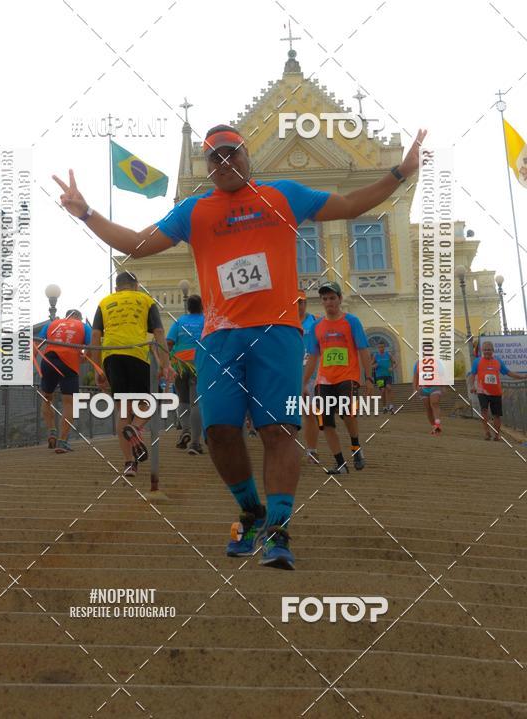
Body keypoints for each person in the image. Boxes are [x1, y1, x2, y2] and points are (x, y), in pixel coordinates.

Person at [54, 123, 424, 569]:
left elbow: (348, 204)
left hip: (279, 331)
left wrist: (400, 174)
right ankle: (251, 512)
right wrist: (86, 212)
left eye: (232, 153)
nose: (225, 162)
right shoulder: (194, 211)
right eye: (215, 158)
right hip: (220, 337)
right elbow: (136, 244)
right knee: (220, 431)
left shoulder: (283, 194)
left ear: (247, 156)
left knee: (277, 430)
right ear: (208, 168)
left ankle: (279, 530)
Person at [91, 272, 174, 476]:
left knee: (123, 410)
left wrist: (97, 368)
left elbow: (95, 335)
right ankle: (136, 428)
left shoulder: (104, 302)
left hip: (111, 356)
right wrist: (165, 364)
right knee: (148, 403)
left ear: (117, 288)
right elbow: (159, 333)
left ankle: (129, 464)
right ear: (136, 286)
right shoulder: (146, 300)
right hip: (136, 353)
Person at [302, 282, 374, 474]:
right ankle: (340, 463)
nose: (329, 302)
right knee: (325, 422)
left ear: (340, 299)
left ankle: (356, 447)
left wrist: (369, 378)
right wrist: (303, 383)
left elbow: (363, 351)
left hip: (348, 376)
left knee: (347, 413)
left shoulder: (352, 322)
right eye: (325, 299)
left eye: (332, 298)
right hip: (324, 379)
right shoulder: (317, 326)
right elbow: (313, 357)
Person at [38, 309, 91, 454]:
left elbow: (37, 343)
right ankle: (62, 441)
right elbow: (92, 345)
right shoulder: (84, 326)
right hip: (69, 363)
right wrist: (84, 357)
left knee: (47, 398)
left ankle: (51, 432)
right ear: (79, 318)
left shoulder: (53, 323)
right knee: (69, 402)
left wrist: (33, 363)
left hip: (48, 360)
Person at [167, 295, 205, 454]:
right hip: (199, 363)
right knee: (196, 402)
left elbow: (168, 343)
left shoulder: (179, 321)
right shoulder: (206, 321)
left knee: (183, 400)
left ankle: (186, 430)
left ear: (188, 308)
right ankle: (195, 443)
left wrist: (166, 364)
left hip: (180, 365)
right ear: (202, 307)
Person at [469, 341, 526, 441]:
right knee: (484, 410)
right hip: (482, 391)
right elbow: (472, 375)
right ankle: (487, 432)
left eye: (489, 350)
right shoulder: (477, 361)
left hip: (496, 392)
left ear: (493, 350)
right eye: (485, 350)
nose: (487, 352)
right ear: (482, 351)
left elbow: (507, 372)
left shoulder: (498, 361)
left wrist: (522, 376)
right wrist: (472, 386)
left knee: (496, 414)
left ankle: (496, 434)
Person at [298, 290, 320, 464]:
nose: (299, 305)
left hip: (311, 375)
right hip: (289, 375)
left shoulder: (315, 322)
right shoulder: (284, 324)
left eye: (302, 302)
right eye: (296, 302)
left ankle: (311, 450)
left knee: (309, 413)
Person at [412, 358, 445, 434]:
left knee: (434, 403)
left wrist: (443, 386)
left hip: (435, 386)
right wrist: (414, 389)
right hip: (423, 388)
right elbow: (415, 377)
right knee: (428, 408)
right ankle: (434, 426)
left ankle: (437, 424)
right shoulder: (417, 363)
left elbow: (442, 375)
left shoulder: (437, 362)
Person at [371, 341, 397, 414]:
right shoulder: (376, 356)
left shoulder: (388, 354)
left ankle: (391, 406)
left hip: (388, 375)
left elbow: (395, 363)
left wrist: (392, 368)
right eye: (379, 347)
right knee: (382, 391)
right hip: (379, 376)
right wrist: (374, 366)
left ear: (384, 347)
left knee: (389, 388)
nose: (381, 348)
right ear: (378, 348)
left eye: (382, 347)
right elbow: (370, 366)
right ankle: (384, 407)